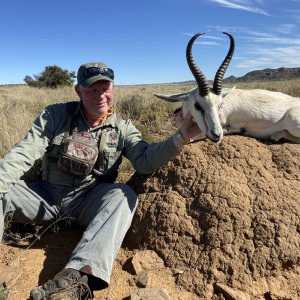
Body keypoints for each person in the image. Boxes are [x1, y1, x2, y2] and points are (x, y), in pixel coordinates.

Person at [0, 62, 202, 300]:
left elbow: (145, 162)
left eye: (105, 88)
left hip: (88, 201)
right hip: (43, 197)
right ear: (78, 91)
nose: (100, 96)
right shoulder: (55, 115)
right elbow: (24, 153)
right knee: (5, 191)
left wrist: (181, 137)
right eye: (91, 90)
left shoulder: (123, 129)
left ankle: (75, 278)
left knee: (123, 195)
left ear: (113, 88)